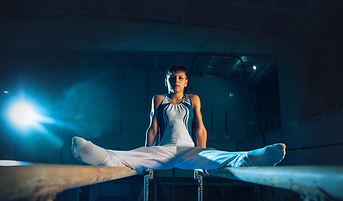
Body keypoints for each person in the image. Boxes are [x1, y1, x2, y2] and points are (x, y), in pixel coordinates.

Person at [72, 65, 285, 172]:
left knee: (218, 156)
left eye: (180, 78)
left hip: (188, 150)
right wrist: (147, 152)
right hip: (162, 150)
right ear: (166, 82)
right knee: (133, 156)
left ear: (186, 82)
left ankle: (252, 158)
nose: (176, 81)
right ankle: (101, 157)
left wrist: (201, 156)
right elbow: (153, 128)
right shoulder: (158, 98)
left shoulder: (194, 98)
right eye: (172, 78)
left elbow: (199, 127)